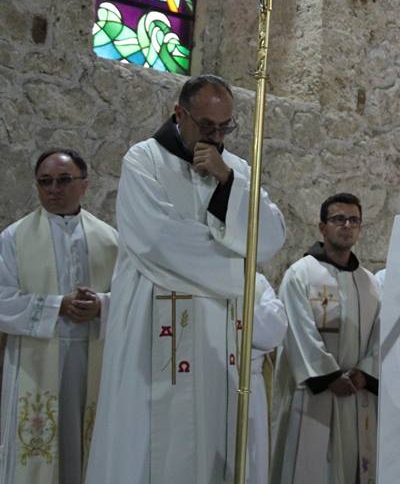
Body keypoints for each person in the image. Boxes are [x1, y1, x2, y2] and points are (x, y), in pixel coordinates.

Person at [85, 75, 286, 484]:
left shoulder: (238, 169)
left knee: (215, 434)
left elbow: (269, 238)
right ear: (179, 114)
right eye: (206, 125)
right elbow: (160, 242)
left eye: (224, 127)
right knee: (148, 444)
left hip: (216, 336)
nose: (215, 136)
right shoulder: (143, 160)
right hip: (151, 330)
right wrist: (242, 273)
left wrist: (228, 180)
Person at [0, 149, 118, 484]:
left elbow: (132, 298)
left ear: (84, 185)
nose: (53, 188)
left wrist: (102, 305)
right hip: (35, 360)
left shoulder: (111, 240)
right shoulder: (13, 239)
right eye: (45, 182)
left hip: (91, 352)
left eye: (64, 180)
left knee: (87, 445)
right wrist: (56, 306)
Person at [272, 193, 379, 484]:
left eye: (353, 220)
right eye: (338, 219)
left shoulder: (368, 282)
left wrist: (366, 373)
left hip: (355, 396)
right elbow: (296, 330)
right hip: (314, 394)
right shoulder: (300, 274)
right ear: (322, 227)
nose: (347, 225)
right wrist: (329, 375)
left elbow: (380, 334)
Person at [247, 272, 287, 484]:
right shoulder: (199, 274)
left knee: (253, 461)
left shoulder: (257, 280)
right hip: (212, 380)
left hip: (252, 383)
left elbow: (275, 329)